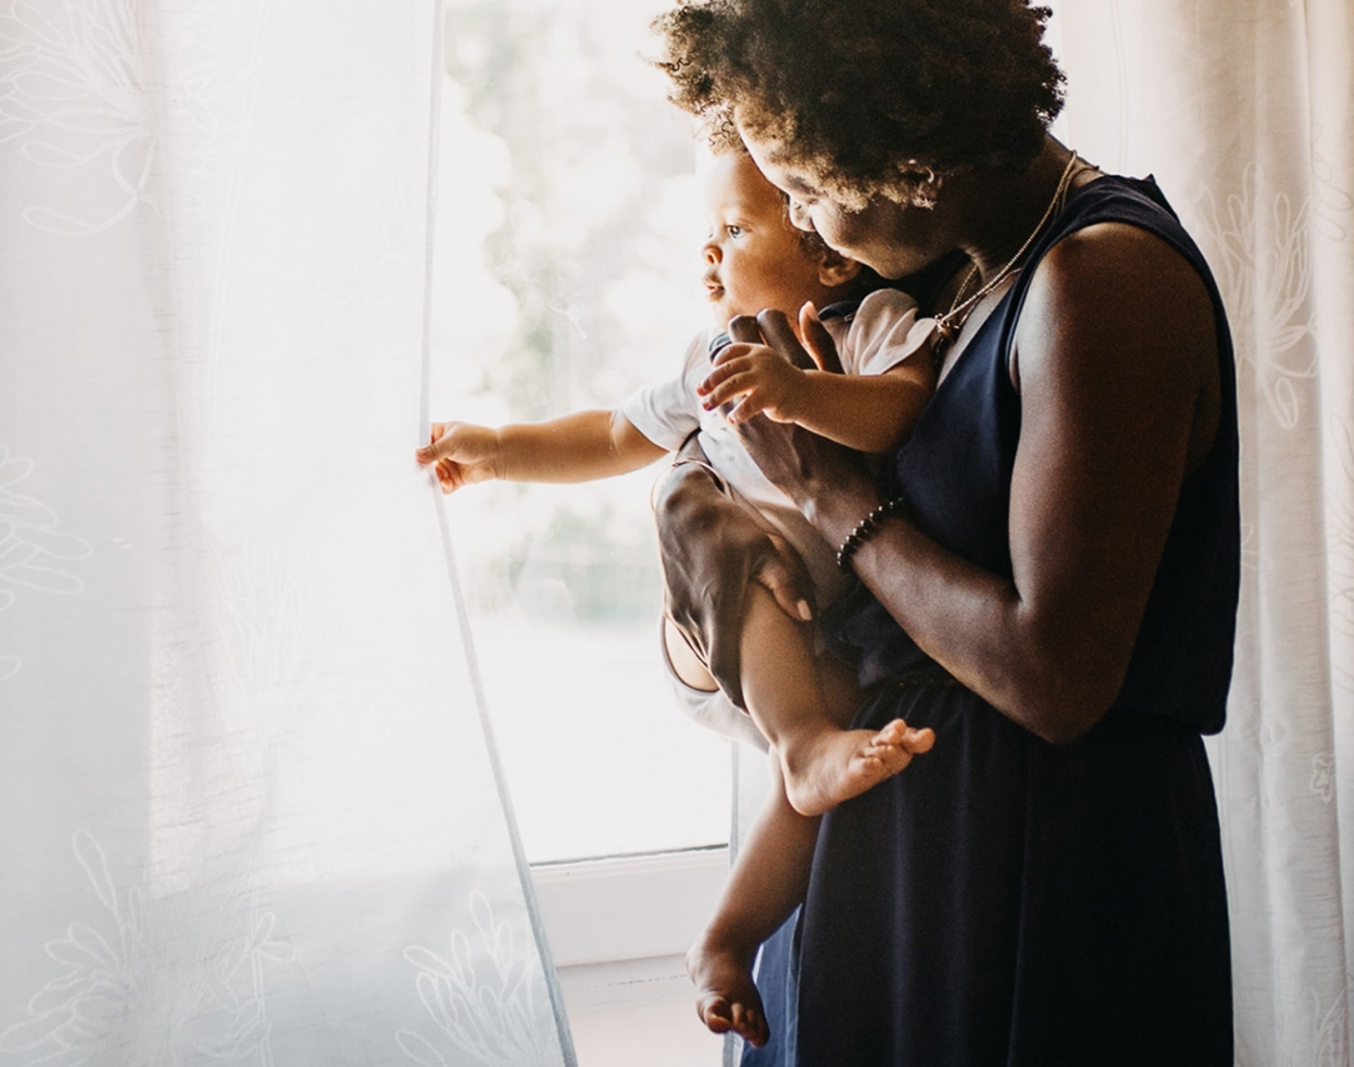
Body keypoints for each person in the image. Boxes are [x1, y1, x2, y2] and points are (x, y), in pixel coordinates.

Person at [648, 0, 1237, 1063]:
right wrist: (713, 589)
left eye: (811, 191)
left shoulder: (1104, 279)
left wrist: (830, 498)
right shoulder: (938, 289)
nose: (811, 225)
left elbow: (1055, 675)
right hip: (874, 853)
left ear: (899, 153)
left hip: (1032, 873)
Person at [416, 146, 944, 1039]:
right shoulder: (711, 353)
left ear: (828, 251)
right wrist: (503, 448)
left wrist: (799, 392)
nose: (709, 253)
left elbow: (902, 404)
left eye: (734, 230)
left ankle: (723, 941)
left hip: (841, 631)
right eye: (705, 233)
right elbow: (619, 431)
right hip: (747, 608)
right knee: (780, 644)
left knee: (808, 783)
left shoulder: (875, 321)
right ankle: (804, 738)